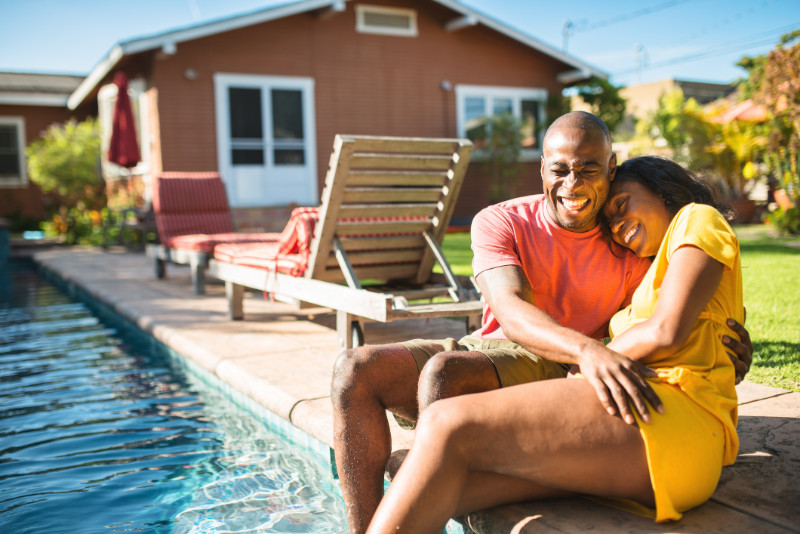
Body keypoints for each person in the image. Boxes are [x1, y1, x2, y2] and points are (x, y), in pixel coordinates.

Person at [330, 111, 752, 533]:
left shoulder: (680, 228)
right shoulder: (508, 220)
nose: (575, 184)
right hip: (594, 388)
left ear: (612, 168)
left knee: (444, 412)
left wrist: (588, 360)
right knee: (359, 377)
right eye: (560, 169)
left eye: (590, 170)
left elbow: (672, 327)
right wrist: (588, 355)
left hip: (659, 413)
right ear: (543, 172)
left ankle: (432, 455)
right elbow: (512, 309)